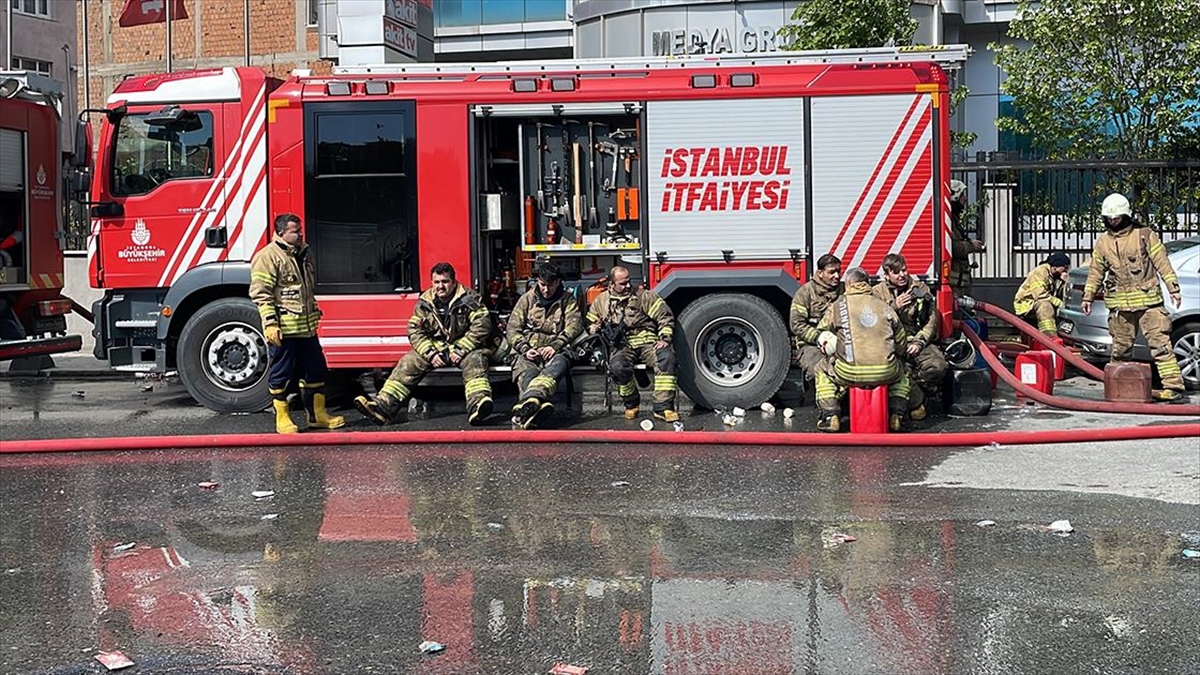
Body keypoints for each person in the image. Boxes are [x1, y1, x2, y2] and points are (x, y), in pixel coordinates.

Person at [354, 262, 496, 425]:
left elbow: (482, 325)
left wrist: (461, 349)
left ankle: (478, 406)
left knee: (475, 361)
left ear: (454, 282)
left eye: (445, 282)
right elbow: (414, 331)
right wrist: (431, 353)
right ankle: (383, 408)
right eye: (436, 282)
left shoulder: (470, 299)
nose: (440, 287)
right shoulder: (425, 302)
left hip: (465, 348)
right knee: (408, 362)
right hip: (436, 348)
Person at [1083, 193, 1184, 402]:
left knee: (1161, 345)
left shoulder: (1144, 235)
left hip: (1150, 303)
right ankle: (1120, 387)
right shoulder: (1103, 243)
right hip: (1120, 306)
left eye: (1117, 218)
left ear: (1126, 216)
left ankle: (1173, 387)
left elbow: (1162, 263)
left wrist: (1173, 288)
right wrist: (1088, 297)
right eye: (1109, 218)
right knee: (1120, 349)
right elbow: (1096, 272)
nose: (1112, 221)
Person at [249, 213, 344, 434]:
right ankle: (282, 418)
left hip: (307, 330)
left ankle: (317, 416)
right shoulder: (267, 257)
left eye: (300, 230)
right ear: (281, 233)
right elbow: (261, 294)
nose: (300, 234)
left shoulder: (303, 253)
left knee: (316, 370)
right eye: (295, 231)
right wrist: (271, 324)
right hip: (284, 330)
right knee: (281, 373)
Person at [813, 267, 918, 432]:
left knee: (821, 368)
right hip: (886, 372)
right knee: (903, 371)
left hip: (849, 371)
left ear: (848, 284)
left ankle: (830, 416)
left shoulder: (837, 306)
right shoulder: (884, 306)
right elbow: (901, 342)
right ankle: (897, 415)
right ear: (868, 284)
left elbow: (822, 332)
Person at [586, 265, 679, 422]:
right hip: (622, 346)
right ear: (611, 284)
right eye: (623, 283)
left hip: (648, 343)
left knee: (667, 358)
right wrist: (593, 327)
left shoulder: (644, 296)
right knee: (617, 367)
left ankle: (663, 408)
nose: (628, 286)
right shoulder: (602, 301)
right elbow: (589, 322)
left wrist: (664, 339)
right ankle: (631, 403)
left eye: (629, 281)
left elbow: (665, 316)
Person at [506, 263, 582, 429]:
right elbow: (512, 329)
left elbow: (574, 326)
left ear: (558, 282)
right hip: (528, 350)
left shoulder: (568, 300)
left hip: (556, 351)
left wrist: (555, 346)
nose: (546, 290)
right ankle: (535, 406)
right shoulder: (527, 299)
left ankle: (529, 405)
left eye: (550, 285)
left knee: (558, 365)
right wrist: (525, 349)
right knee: (527, 373)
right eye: (542, 285)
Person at [871, 253, 944, 410]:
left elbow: (931, 320)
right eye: (896, 272)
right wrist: (893, 306)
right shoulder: (876, 292)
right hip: (890, 342)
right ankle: (913, 398)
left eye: (904, 270)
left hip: (916, 339)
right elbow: (872, 322)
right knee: (885, 372)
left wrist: (920, 341)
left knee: (938, 366)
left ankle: (915, 388)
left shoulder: (920, 288)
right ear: (886, 274)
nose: (902, 275)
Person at [789, 254, 844, 388]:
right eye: (832, 272)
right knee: (820, 371)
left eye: (838, 271)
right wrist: (819, 337)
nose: (837, 276)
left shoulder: (846, 290)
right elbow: (796, 324)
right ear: (820, 273)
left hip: (843, 344)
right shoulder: (805, 293)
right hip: (811, 346)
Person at [1014, 252, 1071, 336]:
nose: (1066, 271)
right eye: (1064, 268)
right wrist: (1059, 303)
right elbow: (1040, 295)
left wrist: (1066, 282)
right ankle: (1050, 337)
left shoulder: (1054, 276)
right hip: (1027, 304)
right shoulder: (1040, 272)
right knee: (1045, 306)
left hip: (1039, 301)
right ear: (1055, 267)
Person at [948, 179, 985, 297]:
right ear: (954, 197)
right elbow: (951, 247)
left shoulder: (952, 220)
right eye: (962, 195)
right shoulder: (946, 221)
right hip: (953, 285)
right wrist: (971, 246)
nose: (965, 199)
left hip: (959, 283)